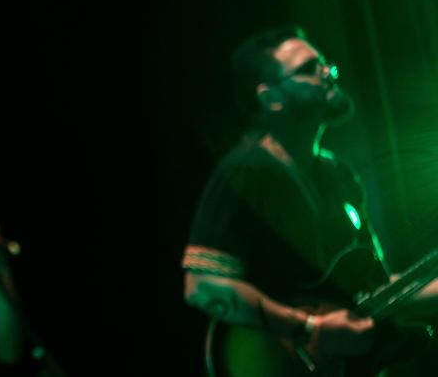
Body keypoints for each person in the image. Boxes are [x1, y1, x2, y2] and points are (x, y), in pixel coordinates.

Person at [181, 26, 438, 375]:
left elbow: (375, 291)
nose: (327, 72)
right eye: (308, 69)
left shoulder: (340, 176)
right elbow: (201, 286)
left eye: (324, 64)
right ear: (271, 98)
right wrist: (308, 328)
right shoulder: (246, 170)